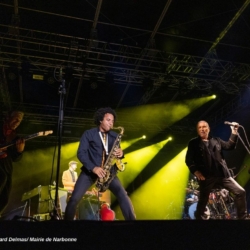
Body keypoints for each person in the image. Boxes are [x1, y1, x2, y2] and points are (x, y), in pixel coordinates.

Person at [64, 107, 135, 220]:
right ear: (100, 120)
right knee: (74, 199)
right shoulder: (89, 134)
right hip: (90, 172)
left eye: (112, 121)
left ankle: (133, 223)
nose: (111, 123)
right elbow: (81, 153)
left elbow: (117, 154)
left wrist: (121, 153)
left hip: (109, 173)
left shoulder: (115, 136)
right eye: (108, 120)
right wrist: (93, 168)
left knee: (123, 195)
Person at [185, 120, 248, 220]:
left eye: (204, 127)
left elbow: (229, 146)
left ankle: (243, 219)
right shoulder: (193, 143)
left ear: (208, 129)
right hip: (206, 176)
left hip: (222, 175)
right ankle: (198, 219)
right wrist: (196, 171)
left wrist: (234, 132)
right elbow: (188, 160)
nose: (202, 129)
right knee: (203, 201)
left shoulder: (216, 140)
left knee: (240, 192)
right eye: (200, 127)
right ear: (197, 130)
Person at [0, 111, 25, 215]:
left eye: (19, 121)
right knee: (2, 177)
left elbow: (15, 158)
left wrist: (19, 151)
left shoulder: (15, 137)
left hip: (7, 168)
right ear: (8, 117)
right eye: (15, 119)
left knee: (5, 198)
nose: (17, 122)